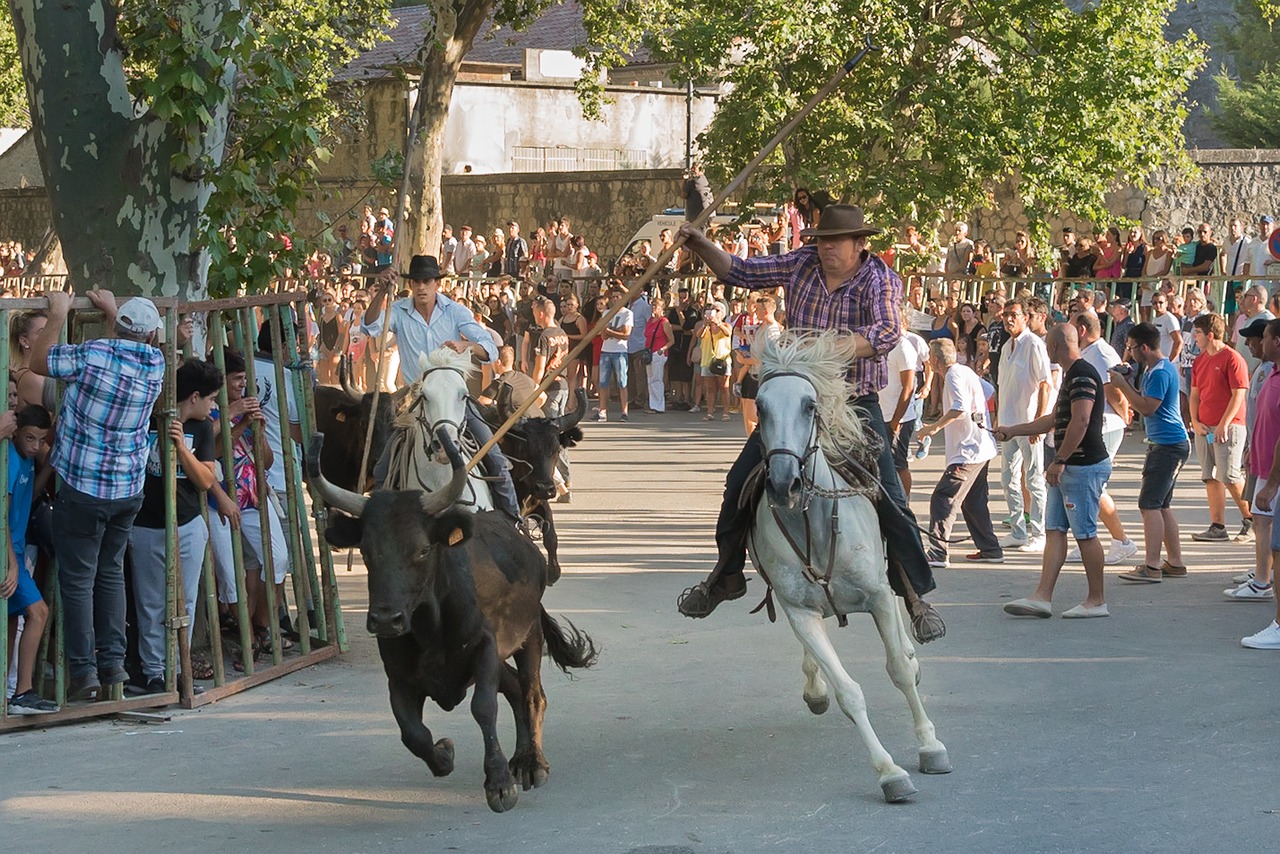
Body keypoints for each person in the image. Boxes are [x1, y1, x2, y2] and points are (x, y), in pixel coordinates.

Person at [673, 204, 945, 643]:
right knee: (739, 482)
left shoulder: (880, 279)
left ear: (860, 244)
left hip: (854, 401)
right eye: (821, 240)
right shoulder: (802, 262)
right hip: (796, 397)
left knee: (891, 495)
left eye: (835, 241)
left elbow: (886, 333)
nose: (826, 248)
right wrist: (701, 243)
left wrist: (832, 349)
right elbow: (740, 270)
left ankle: (914, 594)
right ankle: (724, 576)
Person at [30, 291, 166, 701]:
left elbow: (40, 362)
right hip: (127, 490)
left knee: (77, 580)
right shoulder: (156, 364)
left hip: (83, 487)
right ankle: (113, 663)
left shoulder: (92, 355)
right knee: (109, 574)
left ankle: (83, 673)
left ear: (115, 327)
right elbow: (138, 341)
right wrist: (115, 312)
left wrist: (57, 312)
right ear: (153, 335)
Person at [361, 255, 518, 520]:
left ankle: (514, 523)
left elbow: (491, 349)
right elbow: (369, 327)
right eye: (416, 282)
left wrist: (467, 346)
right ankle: (384, 529)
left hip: (455, 399)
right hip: (416, 402)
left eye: (427, 281)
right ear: (410, 284)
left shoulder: (456, 311)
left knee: (497, 459)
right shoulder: (397, 310)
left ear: (437, 284)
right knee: (381, 469)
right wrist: (380, 294)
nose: (422, 287)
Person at [1000, 324, 1111, 618]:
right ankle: (1042, 596)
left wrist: (1060, 459)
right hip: (1070, 467)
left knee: (1085, 533)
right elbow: (1053, 419)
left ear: (1053, 347)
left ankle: (1097, 600)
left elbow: (1082, 420)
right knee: (1054, 531)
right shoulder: (1073, 375)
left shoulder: (1083, 373)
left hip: (1082, 466)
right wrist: (1013, 431)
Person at [126, 359, 220, 695]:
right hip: (146, 524)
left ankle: (179, 670)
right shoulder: (148, 419)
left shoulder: (202, 429)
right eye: (211, 399)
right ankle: (154, 672)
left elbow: (206, 480)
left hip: (188, 523)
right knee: (150, 602)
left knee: (186, 601)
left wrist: (182, 448)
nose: (214, 406)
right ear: (194, 396)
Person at [1111, 323, 1190, 582]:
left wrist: (1123, 385)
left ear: (1144, 347)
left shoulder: (1158, 373)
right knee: (1162, 504)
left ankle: (1152, 565)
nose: (1129, 352)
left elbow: (1148, 408)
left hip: (1167, 445)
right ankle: (1175, 561)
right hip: (1167, 442)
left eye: (1132, 348)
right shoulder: (1158, 368)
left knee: (1149, 505)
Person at [916, 339, 1000, 568]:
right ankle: (990, 548)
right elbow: (989, 391)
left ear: (934, 361)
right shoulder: (965, 371)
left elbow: (959, 407)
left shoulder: (953, 375)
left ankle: (938, 551)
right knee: (973, 501)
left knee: (943, 498)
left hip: (968, 451)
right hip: (981, 446)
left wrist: (932, 427)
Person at [1066, 312, 1137, 565]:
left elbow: (1114, 391)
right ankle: (1086, 539)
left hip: (1106, 425)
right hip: (1098, 425)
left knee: (1095, 487)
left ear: (1082, 330)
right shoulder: (1090, 352)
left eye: (1073, 325)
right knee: (1085, 487)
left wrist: (1124, 414)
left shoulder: (1101, 353)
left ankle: (1122, 541)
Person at [3, 405, 58, 714]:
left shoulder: (25, 461)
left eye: (41, 439)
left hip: (17, 550)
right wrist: (12, 563)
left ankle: (9, 693)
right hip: (9, 550)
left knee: (12, 621)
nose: (35, 446)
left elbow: (31, 496)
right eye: (30, 438)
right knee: (38, 612)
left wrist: (47, 467)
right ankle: (23, 691)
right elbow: (2, 517)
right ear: (16, 432)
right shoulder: (9, 460)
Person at [1187, 313, 1252, 544]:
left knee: (1230, 475)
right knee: (1210, 477)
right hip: (1204, 427)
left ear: (1210, 335)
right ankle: (1217, 526)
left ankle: (1251, 519)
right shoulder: (1200, 360)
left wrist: (1224, 423)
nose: (1194, 338)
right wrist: (1194, 421)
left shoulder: (1232, 358)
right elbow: (1194, 394)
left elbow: (1238, 394)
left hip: (1229, 426)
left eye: (1197, 333)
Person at [1226, 318, 1279, 601]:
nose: (1248, 343)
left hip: (1273, 461)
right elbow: (1259, 414)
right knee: (1261, 518)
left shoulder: (1273, 370)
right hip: (1260, 453)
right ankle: (1263, 571)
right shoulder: (1266, 370)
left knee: (1264, 518)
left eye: (1255, 338)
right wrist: (1250, 447)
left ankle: (1263, 580)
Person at [995, 299, 1052, 552]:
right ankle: (1018, 530)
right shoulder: (1007, 346)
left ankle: (1039, 533)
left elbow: (1045, 384)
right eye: (1005, 314)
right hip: (1008, 424)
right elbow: (1001, 386)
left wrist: (1039, 423)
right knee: (1008, 478)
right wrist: (998, 418)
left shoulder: (1033, 344)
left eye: (1014, 315)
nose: (1009, 319)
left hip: (1029, 424)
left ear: (1025, 318)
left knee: (1034, 479)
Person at [1238, 320, 1280, 646]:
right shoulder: (1270, 373)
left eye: (1264, 337)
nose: (1260, 343)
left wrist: (1270, 484)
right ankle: (1262, 579)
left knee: (1277, 546)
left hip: (1275, 476)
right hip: (1265, 468)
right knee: (1267, 533)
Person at [880, 314, 930, 498]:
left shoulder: (904, 347)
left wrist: (896, 421)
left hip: (898, 417)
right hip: (882, 413)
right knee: (883, 463)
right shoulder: (883, 344)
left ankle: (904, 502)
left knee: (898, 464)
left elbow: (908, 386)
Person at [596, 284, 633, 422]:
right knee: (603, 383)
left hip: (620, 351)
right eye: (613, 297)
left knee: (622, 382)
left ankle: (624, 411)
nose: (615, 299)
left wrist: (610, 331)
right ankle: (602, 411)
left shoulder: (627, 314)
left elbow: (626, 334)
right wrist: (615, 331)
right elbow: (603, 335)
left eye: (618, 297)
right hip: (606, 350)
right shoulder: (606, 313)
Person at [643, 293, 675, 414]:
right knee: (650, 378)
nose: (653, 308)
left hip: (659, 352)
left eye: (656, 306)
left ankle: (658, 405)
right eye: (653, 305)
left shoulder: (664, 322)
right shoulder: (650, 320)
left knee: (657, 379)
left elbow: (671, 340)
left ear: (662, 308)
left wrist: (663, 348)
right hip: (649, 352)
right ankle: (653, 404)